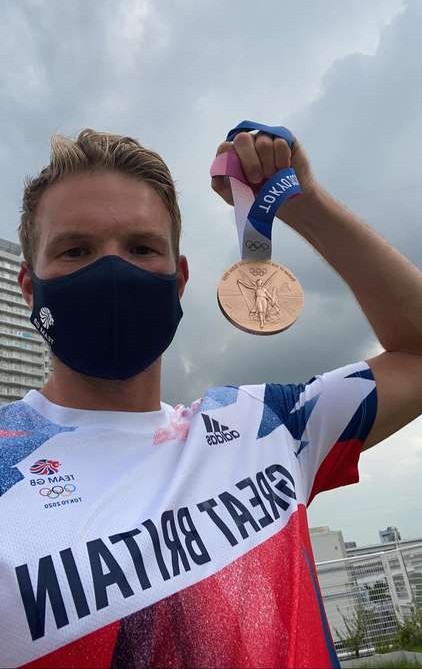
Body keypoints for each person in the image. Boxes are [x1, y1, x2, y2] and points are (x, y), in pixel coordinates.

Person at [1, 127, 421, 669]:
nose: (111, 272)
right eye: (75, 249)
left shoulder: (268, 426)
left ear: (178, 282)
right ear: (30, 288)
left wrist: (305, 203)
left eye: (141, 247)